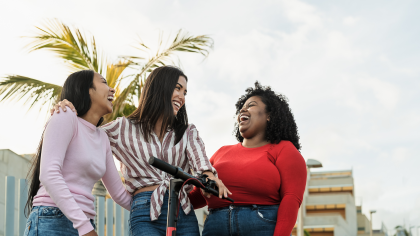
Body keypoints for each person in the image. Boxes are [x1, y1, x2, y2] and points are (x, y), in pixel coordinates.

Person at [53, 66, 230, 236]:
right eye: (177, 88)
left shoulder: (187, 131)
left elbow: (201, 164)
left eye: (185, 92)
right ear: (160, 87)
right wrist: (67, 108)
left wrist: (210, 178)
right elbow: (86, 133)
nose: (182, 97)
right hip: (145, 210)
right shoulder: (123, 127)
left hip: (182, 209)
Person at [189, 81, 307, 236]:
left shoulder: (284, 149)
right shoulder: (221, 152)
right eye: (241, 108)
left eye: (251, 105)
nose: (243, 109)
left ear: (269, 116)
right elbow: (197, 197)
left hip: (262, 227)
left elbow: (291, 199)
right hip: (214, 227)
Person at [25, 70, 132, 236]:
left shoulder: (102, 137)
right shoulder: (65, 116)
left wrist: (155, 212)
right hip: (53, 218)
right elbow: (49, 174)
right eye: (104, 82)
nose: (112, 90)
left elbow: (119, 194)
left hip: (83, 222)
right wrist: (84, 227)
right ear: (86, 89)